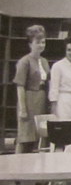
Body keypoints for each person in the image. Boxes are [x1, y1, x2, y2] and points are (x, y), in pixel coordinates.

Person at [14, 24, 50, 152]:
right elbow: (20, 86)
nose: (41, 45)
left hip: (41, 100)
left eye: (43, 42)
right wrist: (23, 109)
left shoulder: (44, 61)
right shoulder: (24, 61)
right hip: (28, 100)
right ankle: (17, 164)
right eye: (38, 42)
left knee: (37, 136)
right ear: (30, 44)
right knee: (24, 136)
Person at [48, 36, 71, 120]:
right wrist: (53, 109)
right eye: (69, 50)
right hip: (63, 102)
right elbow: (54, 88)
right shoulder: (57, 66)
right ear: (65, 50)